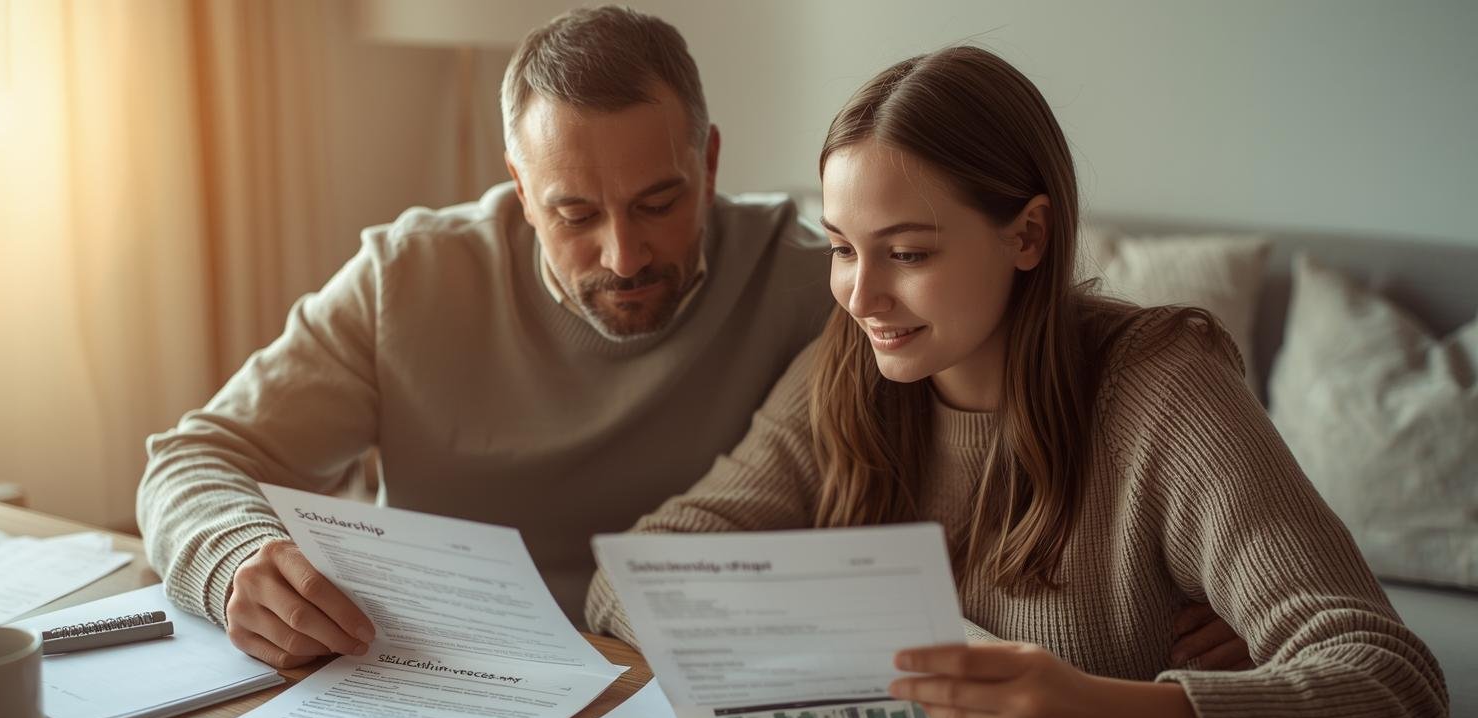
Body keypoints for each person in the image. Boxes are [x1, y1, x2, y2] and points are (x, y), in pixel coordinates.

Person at [138, 7, 1247, 675]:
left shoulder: (834, 280)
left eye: (661, 200)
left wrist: (1180, 590)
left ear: (711, 161)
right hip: (436, 684)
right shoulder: (408, 278)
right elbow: (190, 460)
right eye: (575, 212)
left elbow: (1015, 411)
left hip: (676, 696)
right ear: (519, 191)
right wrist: (235, 558)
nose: (625, 253)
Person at [585, 46, 1449, 718]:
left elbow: (1397, 690)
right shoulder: (844, 373)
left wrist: (1126, 717)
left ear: (1028, 236)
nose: (863, 295)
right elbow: (628, 575)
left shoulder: (1163, 393)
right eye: (844, 249)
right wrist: (822, 622)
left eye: (909, 253)